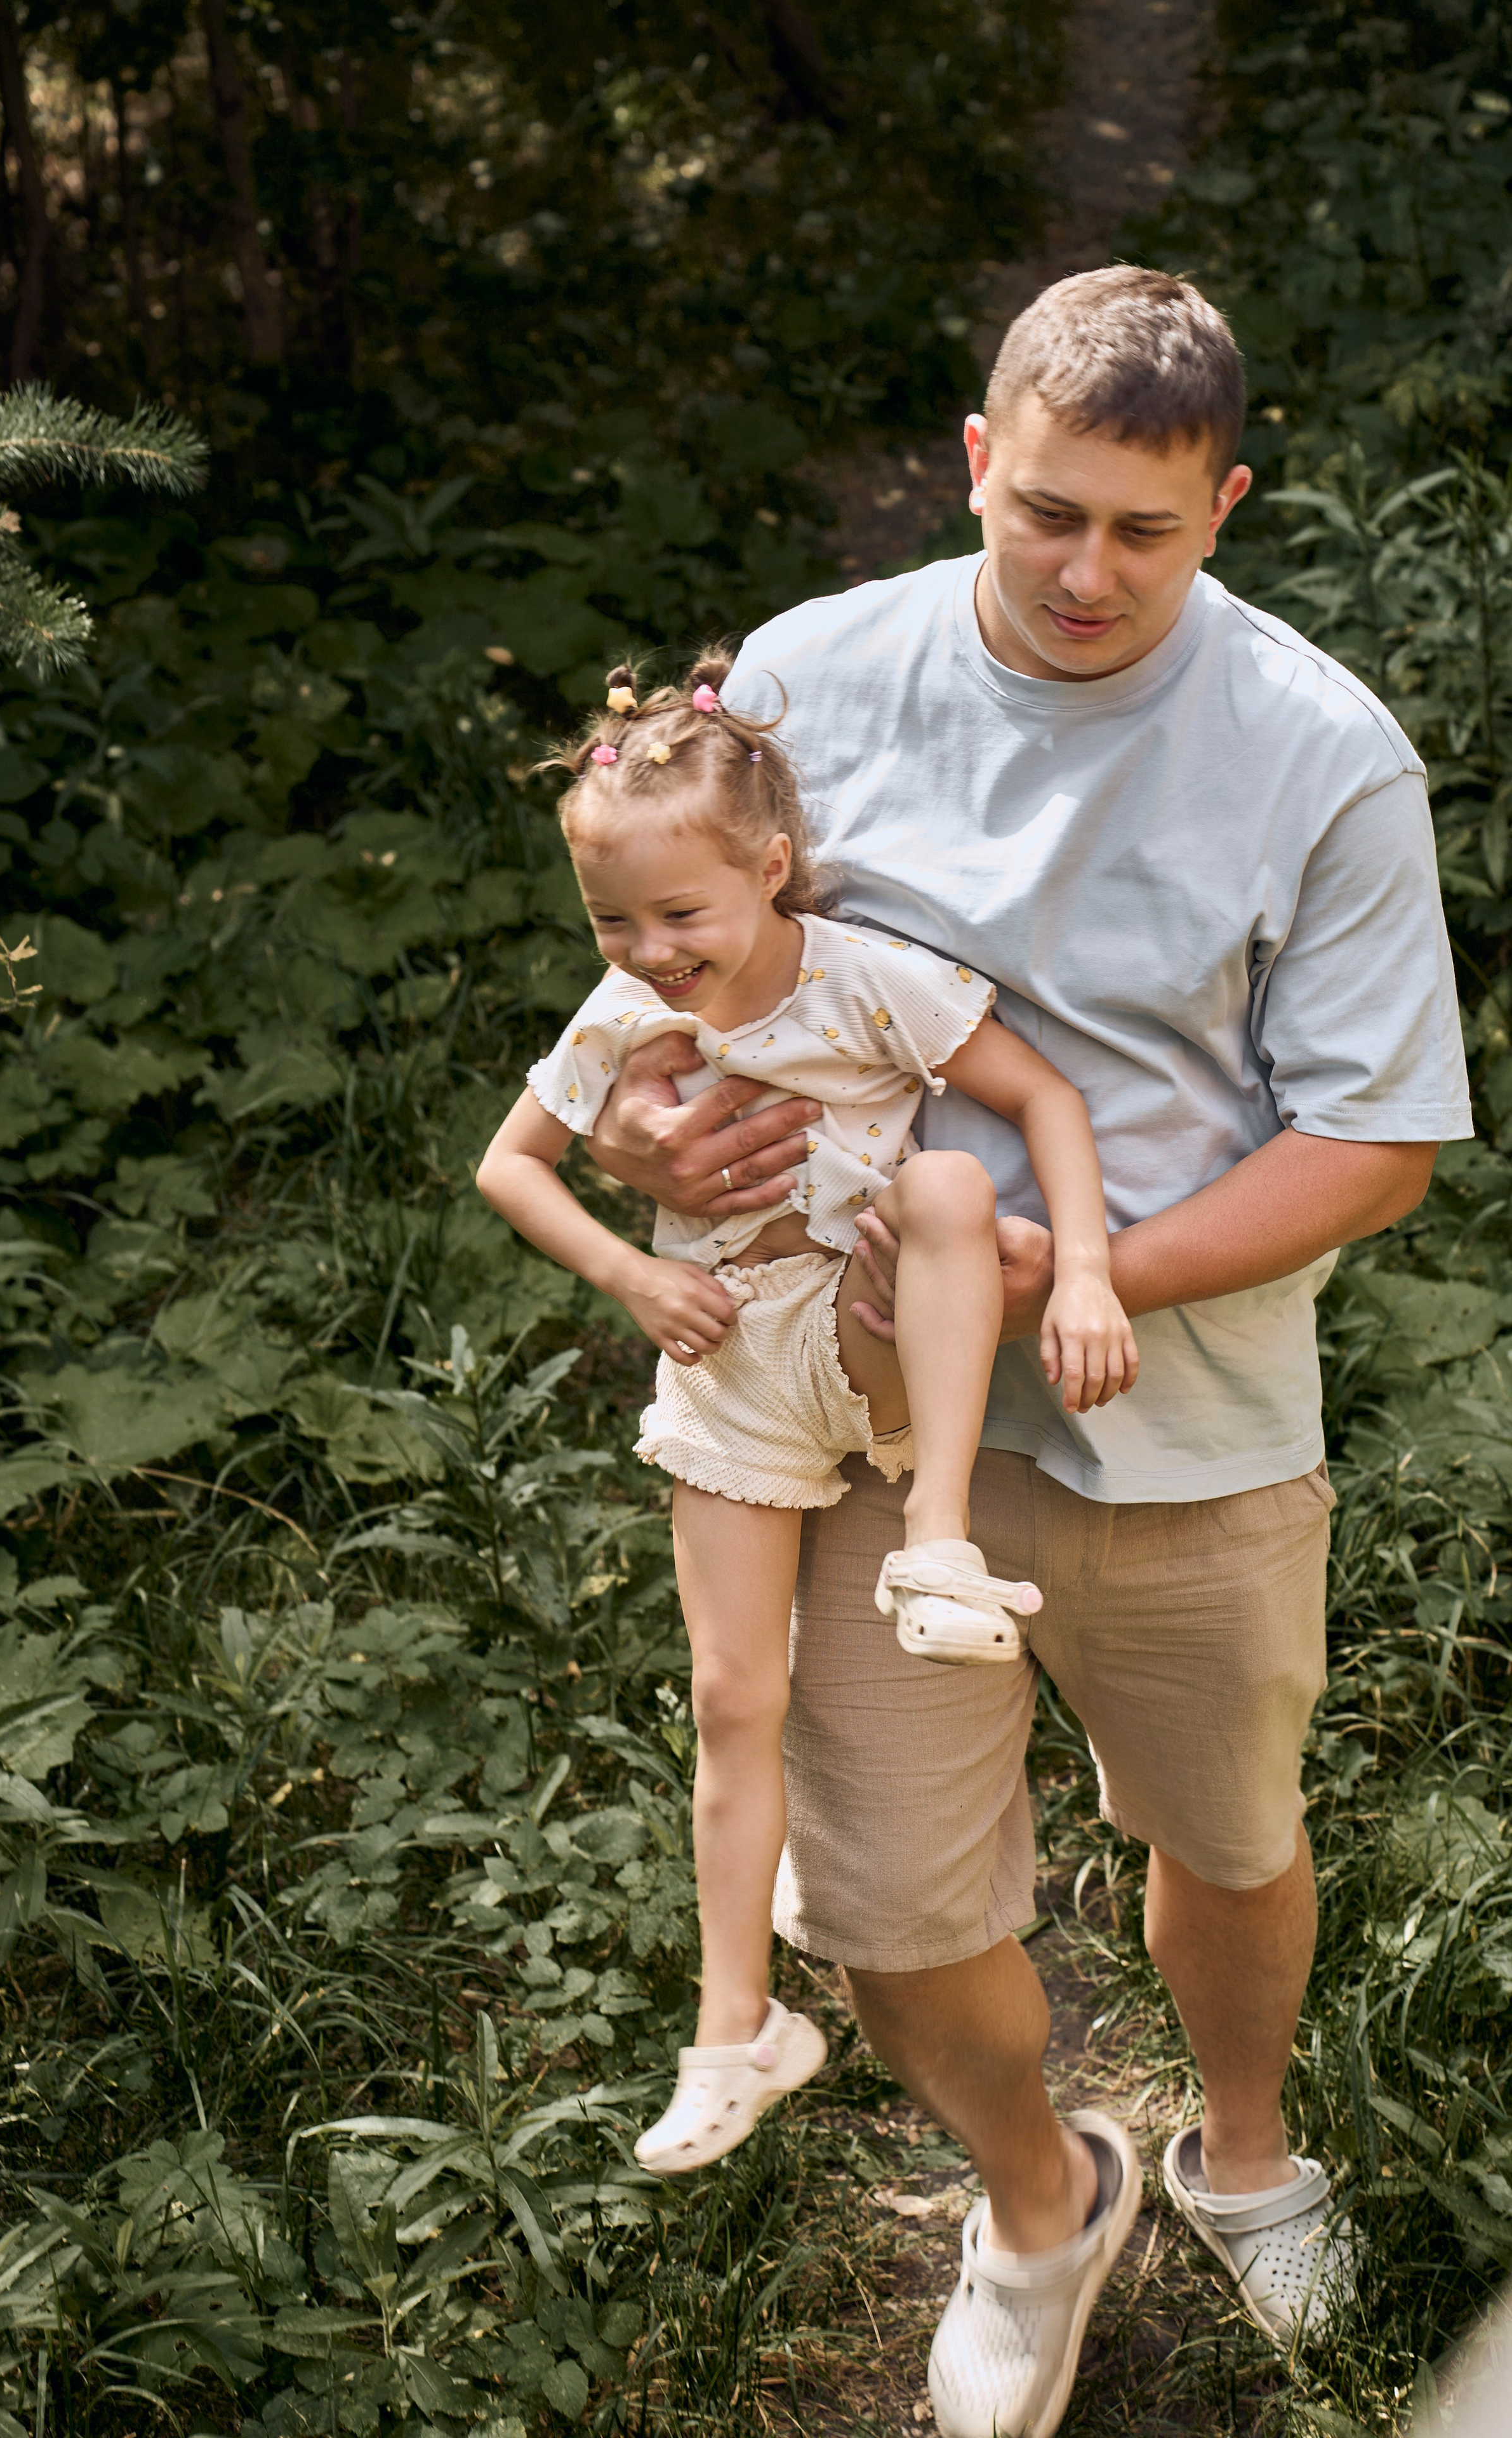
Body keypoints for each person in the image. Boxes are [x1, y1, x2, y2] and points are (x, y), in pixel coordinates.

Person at [580, 266, 1473, 2438]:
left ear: (1226, 507)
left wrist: (1071, 1280)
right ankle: (1042, 2197)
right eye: (1047, 512)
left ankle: (1243, 2151)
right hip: (855, 1421)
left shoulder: (1323, 751)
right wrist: (642, 1138)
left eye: (1147, 532)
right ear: (978, 460)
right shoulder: (806, 680)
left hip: (1180, 1400)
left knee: (1228, 1841)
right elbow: (678, 967)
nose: (1087, 573)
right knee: (888, 1914)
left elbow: (1375, 1148)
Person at [477, 656, 1138, 2176]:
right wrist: (630, 1277)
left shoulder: (863, 977)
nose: (649, 953)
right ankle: (737, 2028)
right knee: (730, 1696)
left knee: (946, 1184)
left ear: (768, 869)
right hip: (729, 1364)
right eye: (612, 923)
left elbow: (1043, 1100)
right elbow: (509, 1164)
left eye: (679, 916)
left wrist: (1087, 1272)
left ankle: (935, 1540)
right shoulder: (620, 1014)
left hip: (871, 1328)